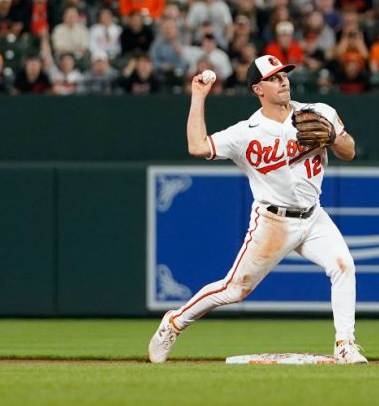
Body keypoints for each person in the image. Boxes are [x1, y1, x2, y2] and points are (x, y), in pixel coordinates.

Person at [147, 55, 367, 365]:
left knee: (344, 267)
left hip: (313, 216)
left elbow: (350, 151)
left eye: (284, 75)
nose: (283, 81)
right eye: (274, 78)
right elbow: (197, 146)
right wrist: (198, 97)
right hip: (273, 221)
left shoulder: (318, 112)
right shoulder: (246, 132)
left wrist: (332, 137)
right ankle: (174, 322)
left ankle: (345, 344)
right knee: (234, 290)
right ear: (258, 88)